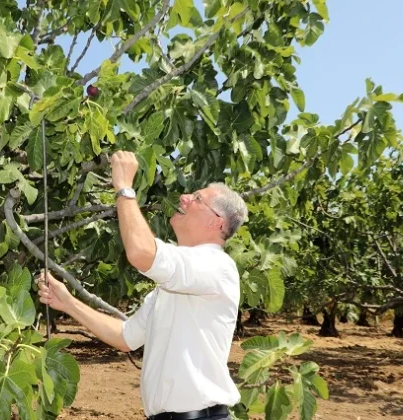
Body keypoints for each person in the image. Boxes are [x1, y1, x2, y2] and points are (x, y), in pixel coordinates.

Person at [38, 151, 247, 420]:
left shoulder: (217, 266)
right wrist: (67, 302)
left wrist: (124, 187)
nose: (184, 197)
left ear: (216, 221)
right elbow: (126, 337)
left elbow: (140, 253)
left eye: (197, 199)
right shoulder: (172, 285)